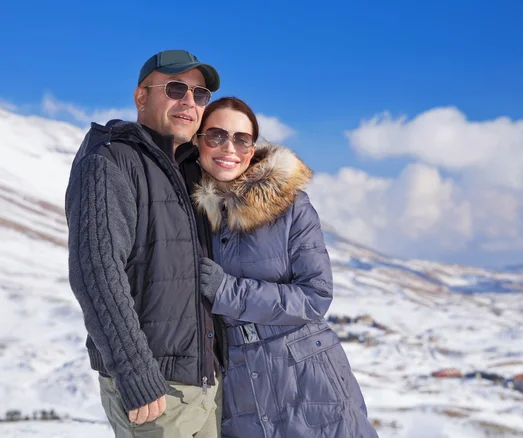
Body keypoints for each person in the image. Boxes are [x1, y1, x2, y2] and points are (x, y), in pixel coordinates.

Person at [192, 97, 379, 437]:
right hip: (238, 380)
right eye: (216, 135)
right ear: (198, 140)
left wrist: (228, 292)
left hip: (306, 372)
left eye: (241, 139)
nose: (228, 147)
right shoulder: (191, 211)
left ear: (252, 149)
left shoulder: (291, 207)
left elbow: (315, 296)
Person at [65, 50, 225, 437]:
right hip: (157, 395)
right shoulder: (110, 162)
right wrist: (136, 374)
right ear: (141, 97)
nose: (189, 101)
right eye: (175, 88)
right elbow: (97, 275)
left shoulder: (190, 170)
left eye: (200, 94)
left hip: (206, 387)